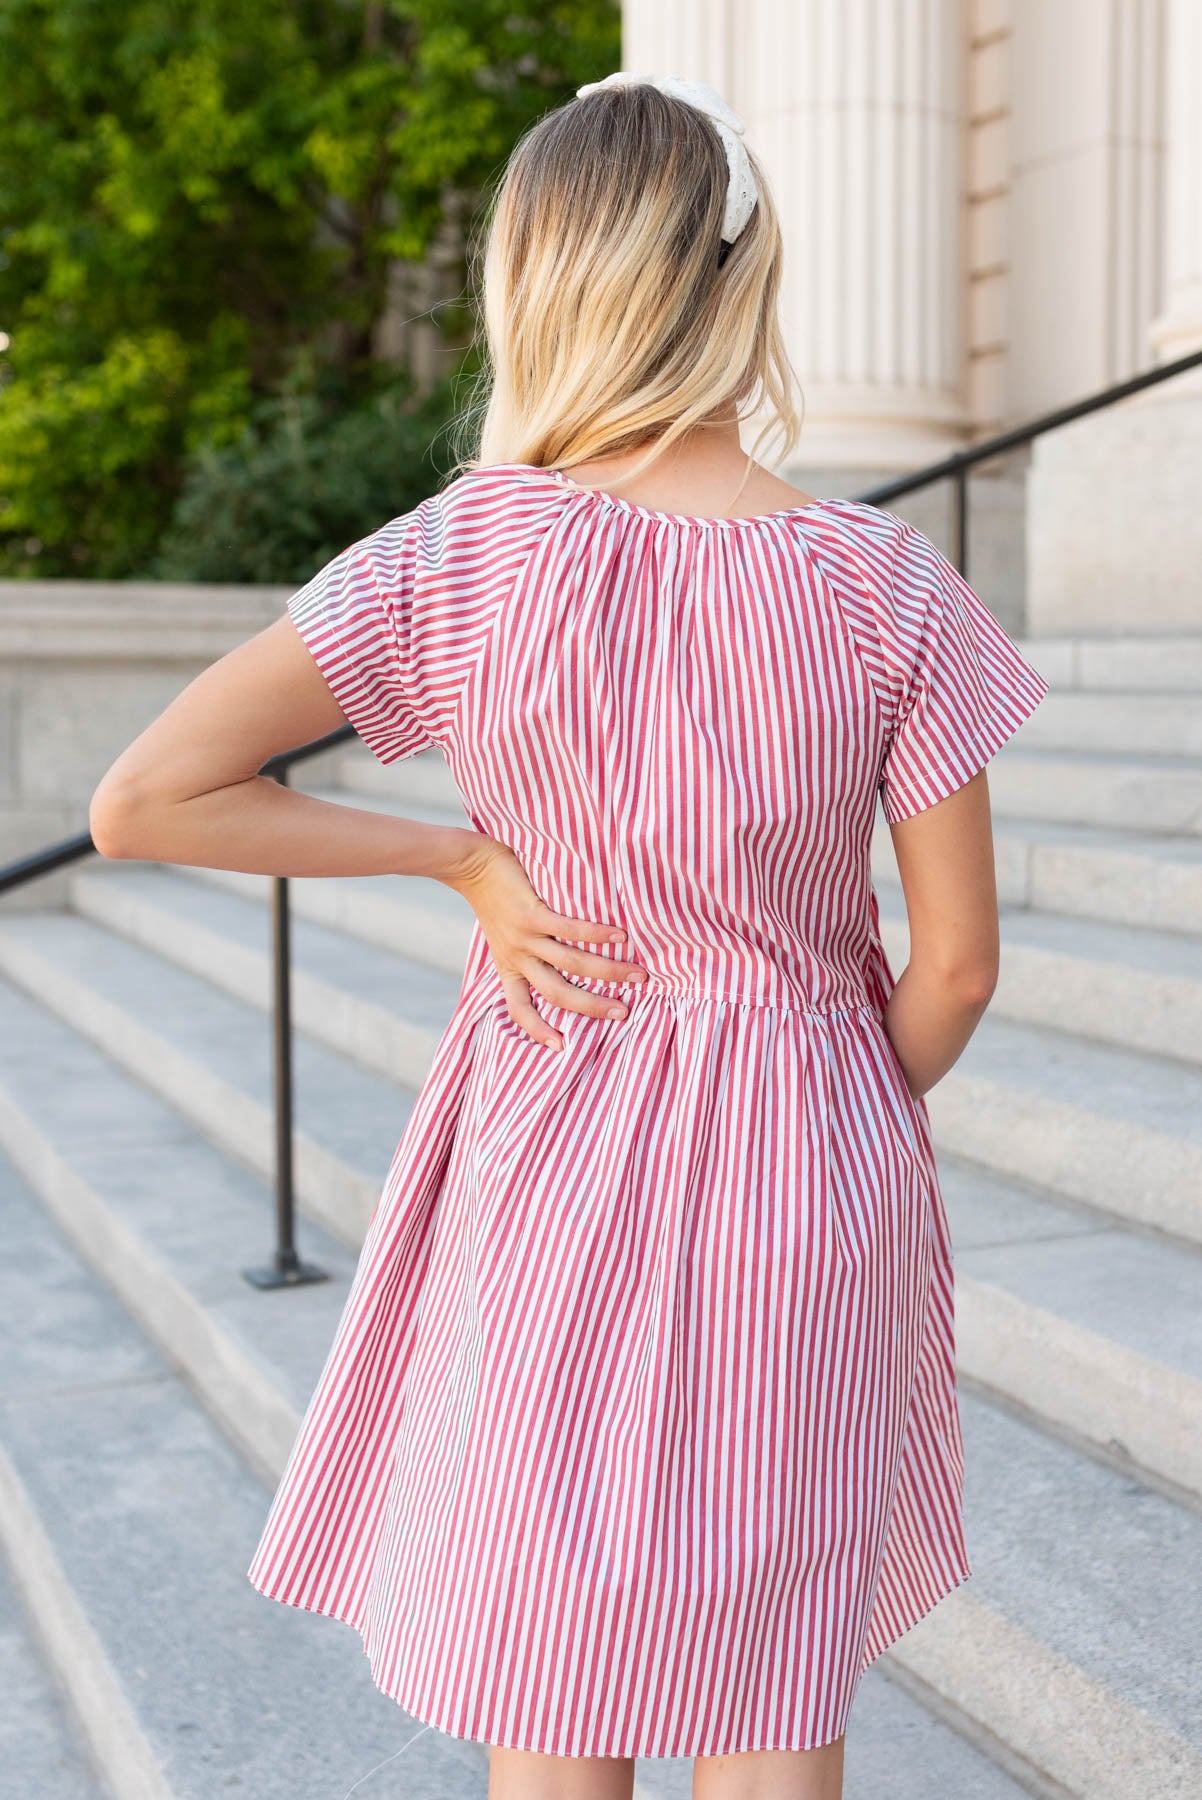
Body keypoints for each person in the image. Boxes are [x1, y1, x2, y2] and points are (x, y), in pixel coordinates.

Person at [89, 71, 1049, 1800]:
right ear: (741, 280)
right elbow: (960, 965)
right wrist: (824, 1087)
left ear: (536, 279)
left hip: (548, 1143)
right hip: (807, 1157)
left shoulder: (464, 558)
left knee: (555, 1658)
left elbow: (148, 798)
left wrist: (458, 858)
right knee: (773, 1680)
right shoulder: (880, 579)